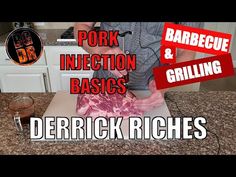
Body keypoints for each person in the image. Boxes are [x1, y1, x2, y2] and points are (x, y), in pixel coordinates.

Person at [74, 22, 203, 111]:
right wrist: (101, 50)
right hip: (104, 88)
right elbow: (81, 26)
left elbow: (186, 52)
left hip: (149, 93)